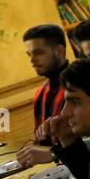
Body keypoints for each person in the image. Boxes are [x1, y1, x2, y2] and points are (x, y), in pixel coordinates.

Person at [18, 23, 69, 169]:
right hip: (53, 169)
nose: (32, 61)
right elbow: (41, 141)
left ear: (59, 51)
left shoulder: (80, 85)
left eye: (38, 53)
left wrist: (50, 153)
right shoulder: (40, 93)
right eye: (29, 54)